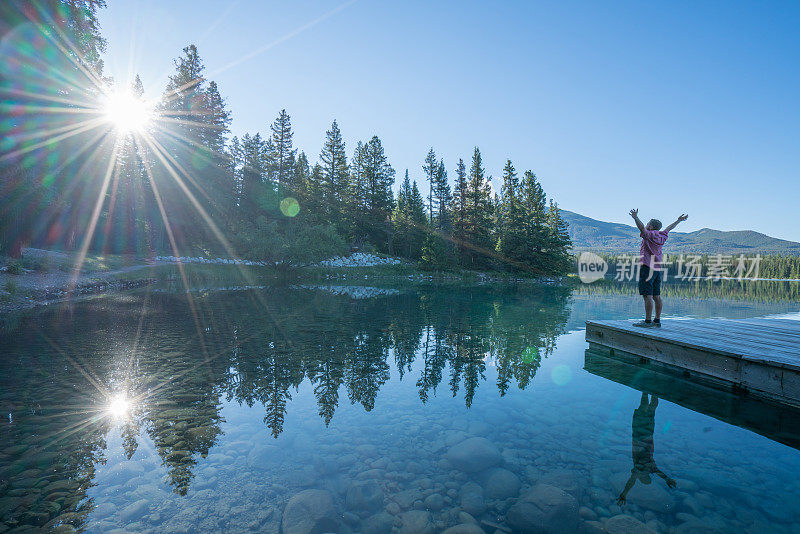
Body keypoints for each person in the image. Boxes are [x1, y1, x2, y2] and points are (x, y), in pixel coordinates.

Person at [629, 209, 688, 327]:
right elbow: (669, 228)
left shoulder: (649, 235)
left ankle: (647, 321)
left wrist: (635, 217)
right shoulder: (662, 235)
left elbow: (641, 228)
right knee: (656, 295)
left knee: (647, 296)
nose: (645, 226)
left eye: (647, 225)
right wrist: (678, 221)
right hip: (657, 270)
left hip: (646, 267)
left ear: (650, 227)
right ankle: (657, 320)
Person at [617, 393, 676, 506]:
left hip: (644, 436)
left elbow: (631, 482)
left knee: (650, 409)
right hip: (640, 436)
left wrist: (624, 494)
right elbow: (660, 474)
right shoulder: (646, 470)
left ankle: (651, 390)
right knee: (647, 408)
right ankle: (648, 390)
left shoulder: (644, 470)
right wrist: (667, 479)